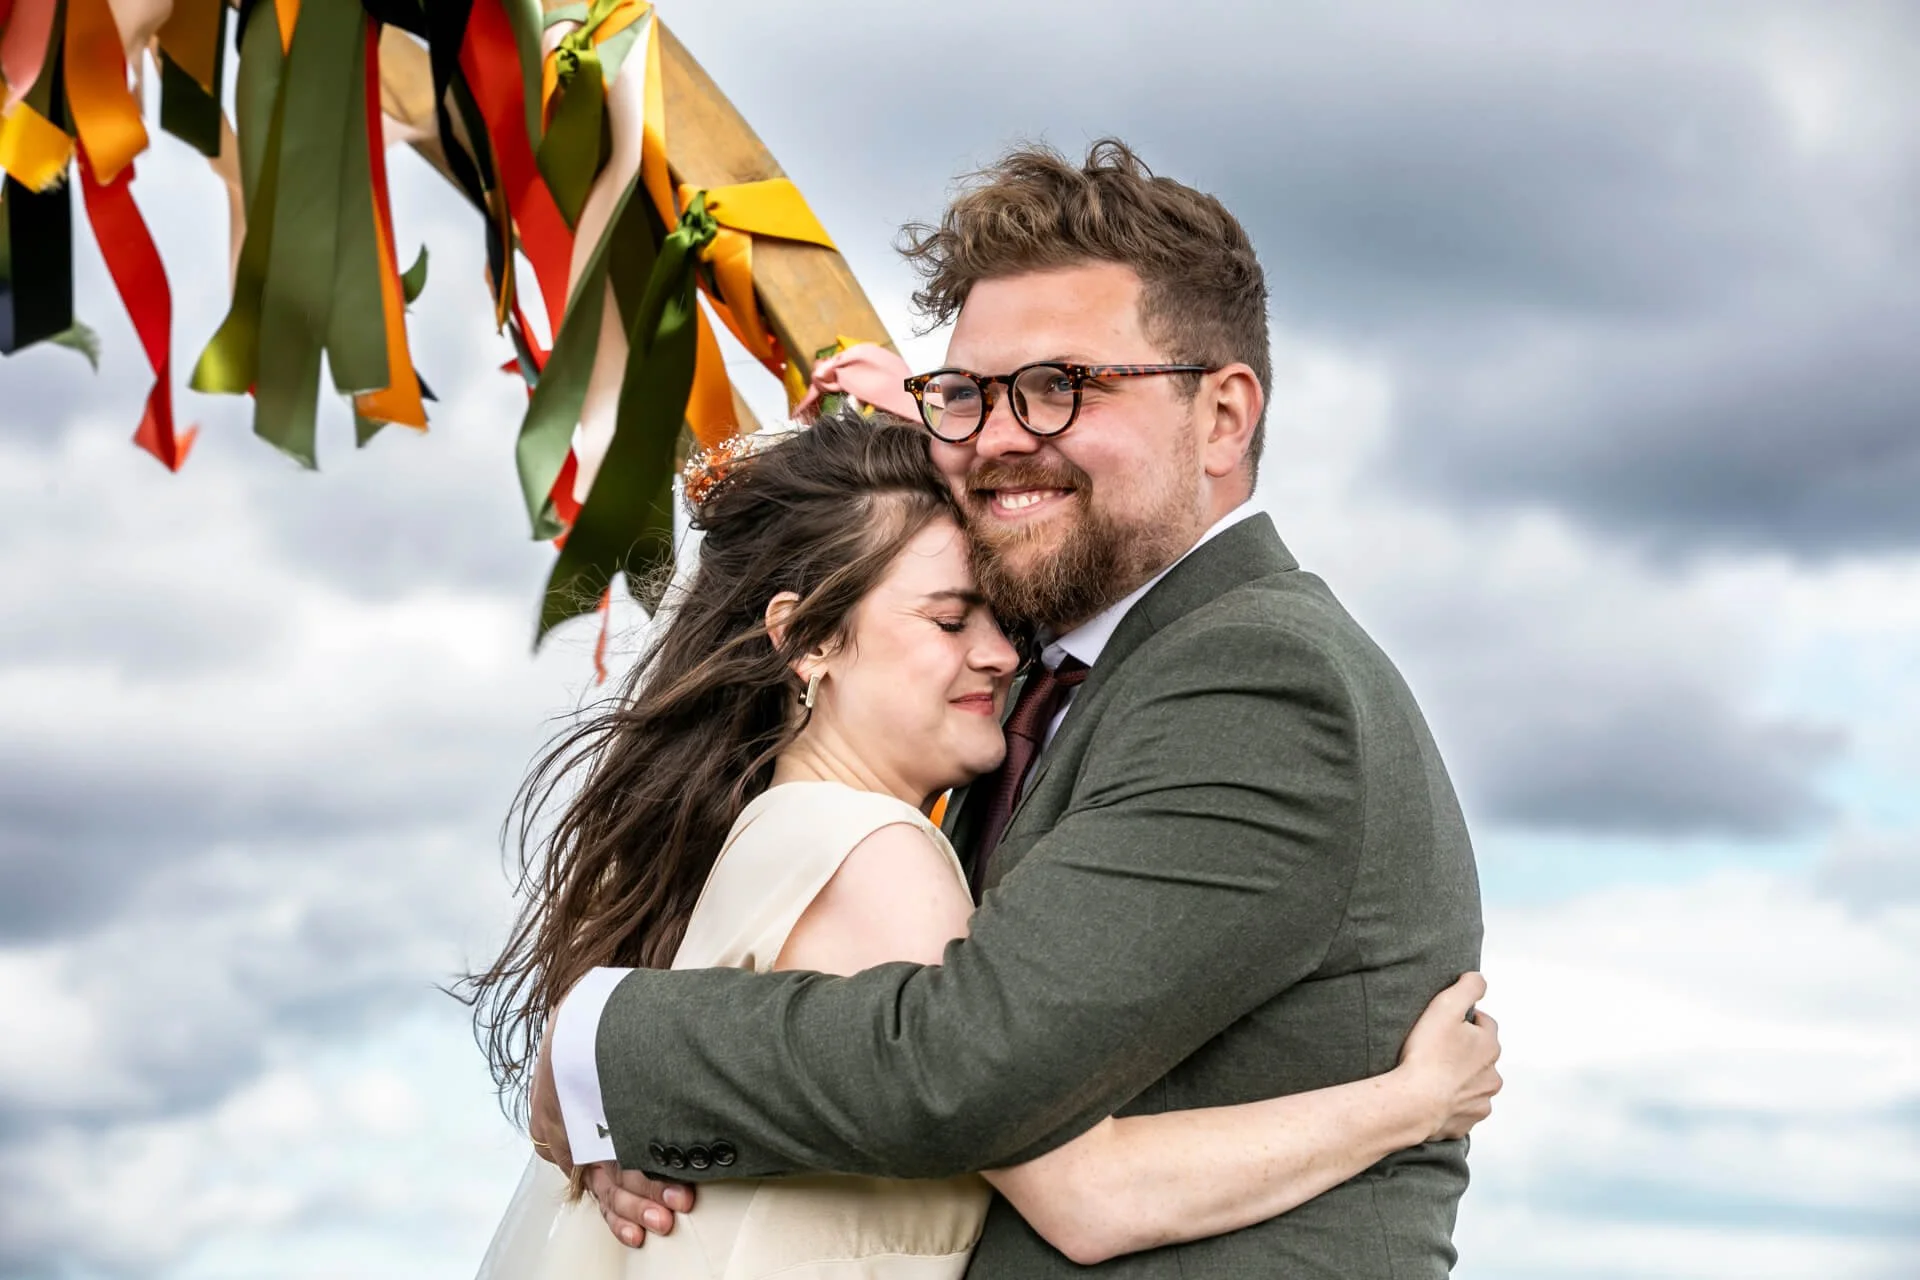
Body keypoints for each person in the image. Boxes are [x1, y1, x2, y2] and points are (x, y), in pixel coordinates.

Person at [530, 139, 1492, 1278]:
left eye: (1060, 386)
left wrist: (603, 1053)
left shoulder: (1257, 677)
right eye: (968, 393)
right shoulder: (1033, 677)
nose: (996, 436)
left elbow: (966, 1063)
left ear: (1225, 417)